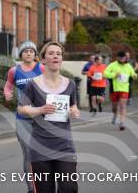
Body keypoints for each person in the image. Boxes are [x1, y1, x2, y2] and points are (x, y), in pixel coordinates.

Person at [18, 41, 80, 193]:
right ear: (43, 59)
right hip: (40, 147)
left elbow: (74, 107)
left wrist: (74, 112)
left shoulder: (70, 84)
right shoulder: (33, 84)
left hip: (65, 146)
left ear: (61, 59)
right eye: (51, 53)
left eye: (58, 54)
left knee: (69, 188)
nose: (55, 56)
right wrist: (40, 109)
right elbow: (21, 109)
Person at [4, 40, 44, 193]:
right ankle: (31, 188)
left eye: (31, 51)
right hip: (23, 117)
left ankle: (44, 184)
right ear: (21, 54)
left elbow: (52, 83)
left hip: (41, 116)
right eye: (25, 51)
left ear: (35, 55)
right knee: (28, 152)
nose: (28, 53)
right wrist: (7, 93)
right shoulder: (14, 71)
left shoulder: (41, 68)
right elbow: (8, 85)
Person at [104, 51, 137, 130]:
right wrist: (114, 75)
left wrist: (135, 75)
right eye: (121, 58)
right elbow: (105, 73)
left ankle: (122, 123)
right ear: (117, 58)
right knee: (114, 107)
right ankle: (115, 114)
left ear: (125, 58)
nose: (122, 59)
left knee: (123, 105)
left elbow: (132, 74)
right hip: (114, 89)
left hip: (124, 89)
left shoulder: (128, 66)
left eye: (124, 58)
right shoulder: (112, 65)